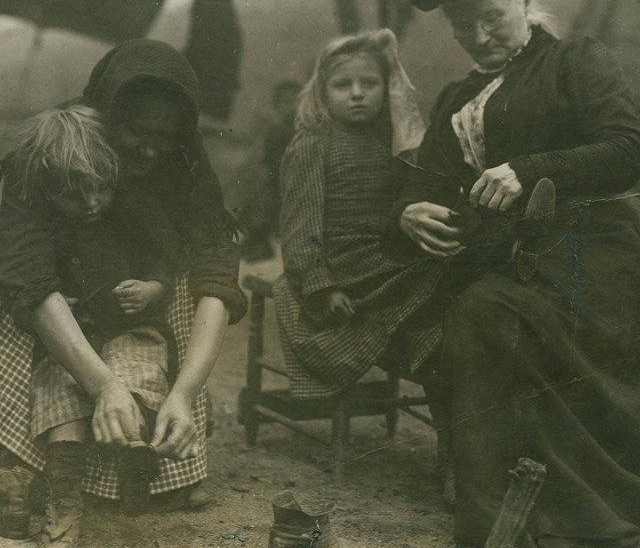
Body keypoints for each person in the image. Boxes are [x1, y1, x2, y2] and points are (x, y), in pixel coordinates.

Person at [392, 0, 640, 547]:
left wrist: (530, 171)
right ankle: (505, 506)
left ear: (525, 1)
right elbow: (429, 178)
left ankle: (510, 519)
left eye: (492, 19)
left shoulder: (577, 62)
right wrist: (412, 208)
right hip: (504, 267)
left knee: (481, 313)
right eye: (462, 26)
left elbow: (629, 148)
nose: (478, 36)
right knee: (469, 310)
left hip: (588, 267)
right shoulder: (454, 99)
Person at [0, 40, 247, 518]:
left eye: (167, 136)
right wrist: (102, 386)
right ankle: (30, 459)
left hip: (128, 304)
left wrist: (185, 392)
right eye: (136, 131)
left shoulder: (184, 161)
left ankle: (163, 461)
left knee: (161, 322)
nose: (151, 148)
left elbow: (215, 273)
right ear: (106, 113)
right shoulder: (50, 151)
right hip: (53, 310)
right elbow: (29, 279)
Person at [1, 105, 184, 544]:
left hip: (130, 327)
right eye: (73, 194)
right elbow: (27, 282)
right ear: (48, 191)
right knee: (58, 392)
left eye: (100, 189)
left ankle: (135, 463)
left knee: (137, 372)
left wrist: (154, 287)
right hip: (71, 340)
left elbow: (168, 255)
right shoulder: (41, 223)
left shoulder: (129, 210)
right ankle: (66, 503)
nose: (90, 203)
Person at [273, 29, 447, 410]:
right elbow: (302, 228)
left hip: (385, 255)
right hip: (343, 262)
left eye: (369, 83)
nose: (356, 93)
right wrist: (322, 284)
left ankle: (444, 375)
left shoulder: (394, 138)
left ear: (387, 89)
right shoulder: (314, 143)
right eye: (342, 85)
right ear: (323, 92)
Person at [240, 79, 302, 262]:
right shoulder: (275, 129)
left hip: (291, 182)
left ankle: (262, 246)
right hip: (273, 179)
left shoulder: (301, 132)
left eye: (298, 102)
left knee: (269, 208)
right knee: (256, 204)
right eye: (287, 102)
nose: (293, 107)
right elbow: (267, 157)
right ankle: (253, 239)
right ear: (277, 106)